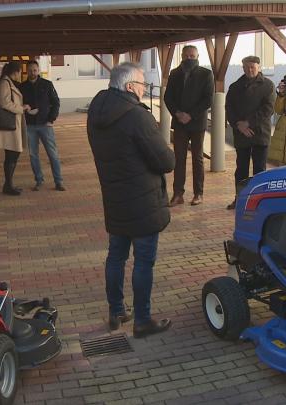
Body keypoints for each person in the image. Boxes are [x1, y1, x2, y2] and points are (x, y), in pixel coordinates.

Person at [87, 62, 175, 338]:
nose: (144, 89)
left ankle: (116, 312)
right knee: (143, 261)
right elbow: (165, 160)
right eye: (141, 84)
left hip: (114, 196)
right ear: (128, 87)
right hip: (142, 200)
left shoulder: (97, 110)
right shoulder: (137, 116)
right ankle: (142, 319)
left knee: (116, 256)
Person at [164, 45, 213, 206]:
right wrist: (178, 114)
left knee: (198, 159)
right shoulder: (174, 73)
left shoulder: (206, 74)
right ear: (182, 56)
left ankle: (199, 193)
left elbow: (208, 99)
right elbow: (168, 97)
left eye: (192, 55)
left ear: (198, 56)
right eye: (186, 56)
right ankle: (178, 194)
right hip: (179, 123)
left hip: (197, 122)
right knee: (179, 158)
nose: (189, 58)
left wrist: (190, 115)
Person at [225, 56, 275, 210]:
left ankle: (259, 200)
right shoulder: (235, 87)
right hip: (241, 134)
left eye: (252, 67)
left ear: (259, 67)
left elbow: (268, 109)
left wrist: (248, 123)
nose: (249, 70)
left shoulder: (268, 85)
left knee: (259, 169)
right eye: (246, 67)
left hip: (260, 133)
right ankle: (240, 198)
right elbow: (229, 108)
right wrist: (238, 125)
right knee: (241, 169)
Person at [20, 60, 65, 192]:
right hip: (30, 125)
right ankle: (39, 180)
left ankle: (59, 181)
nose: (32, 72)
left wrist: (51, 119)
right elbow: (18, 104)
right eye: (30, 70)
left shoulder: (47, 84)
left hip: (46, 124)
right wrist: (25, 109)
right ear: (26, 71)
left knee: (53, 154)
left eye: (34, 70)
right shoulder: (22, 87)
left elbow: (56, 103)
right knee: (33, 155)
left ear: (38, 70)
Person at [0, 61, 30, 196]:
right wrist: (21, 108)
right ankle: (8, 185)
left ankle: (9, 184)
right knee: (12, 155)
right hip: (10, 125)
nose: (20, 75)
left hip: (12, 125)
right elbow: (5, 103)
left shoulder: (7, 82)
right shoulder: (5, 83)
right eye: (20, 72)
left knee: (12, 155)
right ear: (15, 72)